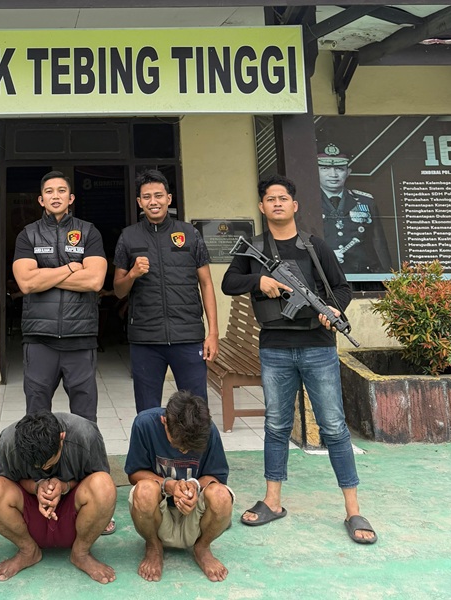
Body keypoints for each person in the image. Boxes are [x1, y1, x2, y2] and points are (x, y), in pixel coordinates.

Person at [221, 173, 377, 545]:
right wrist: (258, 281)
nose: (277, 203)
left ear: (294, 205)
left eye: (283, 198)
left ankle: (353, 510)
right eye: (270, 198)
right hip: (275, 347)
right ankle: (272, 501)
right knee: (276, 424)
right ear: (262, 207)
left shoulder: (314, 246)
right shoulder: (253, 248)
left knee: (333, 427)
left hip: (318, 346)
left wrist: (332, 310)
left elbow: (342, 288)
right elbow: (228, 283)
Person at [113, 169, 219, 413]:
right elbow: (118, 290)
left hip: (188, 336)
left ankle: (194, 443)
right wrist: (132, 274)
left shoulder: (190, 234)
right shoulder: (128, 237)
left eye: (158, 195)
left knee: (195, 411)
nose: (153, 202)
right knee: (147, 412)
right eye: (147, 197)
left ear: (169, 199)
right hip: (145, 340)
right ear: (139, 202)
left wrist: (213, 333)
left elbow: (206, 283)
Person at [12, 171, 107, 422]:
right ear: (41, 200)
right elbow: (26, 283)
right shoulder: (28, 234)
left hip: (81, 338)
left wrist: (44, 277)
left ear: (71, 198)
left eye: (62, 191)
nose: (56, 196)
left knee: (85, 418)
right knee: (37, 418)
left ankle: (82, 452)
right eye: (49, 191)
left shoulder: (89, 232)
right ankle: (40, 453)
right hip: (39, 339)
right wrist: (70, 268)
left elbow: (94, 281)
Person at [0, 411, 117, 584]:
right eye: (37, 467)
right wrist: (37, 487)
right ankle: (28, 550)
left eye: (50, 463)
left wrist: (64, 486)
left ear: (62, 438)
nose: (44, 469)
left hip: (76, 514)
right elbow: (9, 484)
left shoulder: (86, 434)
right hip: (31, 515)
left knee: (104, 485)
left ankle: (81, 553)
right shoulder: (9, 441)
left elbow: (95, 479)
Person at [125, 391, 233, 582]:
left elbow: (217, 476)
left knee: (222, 496)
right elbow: (134, 474)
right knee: (144, 490)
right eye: (178, 445)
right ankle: (153, 546)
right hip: (158, 515)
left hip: (195, 517)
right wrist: (169, 485)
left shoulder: (207, 429)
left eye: (190, 448)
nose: (183, 451)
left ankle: (202, 547)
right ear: (164, 421)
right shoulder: (144, 424)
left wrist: (195, 487)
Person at [318, 143, 391, 275]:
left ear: (348, 172)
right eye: (325, 168)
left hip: (361, 274)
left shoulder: (366, 201)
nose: (333, 174)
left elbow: (378, 244)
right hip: (323, 274)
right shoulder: (307, 202)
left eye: (339, 169)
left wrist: (387, 275)